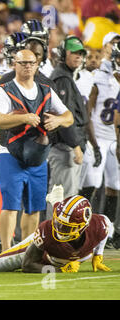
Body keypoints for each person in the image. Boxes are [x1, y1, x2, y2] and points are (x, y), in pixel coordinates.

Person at [0, 49, 74, 252]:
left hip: (37, 153)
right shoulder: (4, 90)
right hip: (9, 151)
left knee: (35, 206)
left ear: (37, 65)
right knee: (10, 204)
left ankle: (26, 250)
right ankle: (6, 250)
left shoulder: (46, 90)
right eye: (23, 62)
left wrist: (58, 120)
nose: (27, 66)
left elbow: (69, 116)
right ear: (14, 64)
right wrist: (23, 118)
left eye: (31, 62)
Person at [0, 186, 113, 273]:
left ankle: (55, 199)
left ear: (83, 226)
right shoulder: (49, 229)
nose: (60, 229)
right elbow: (27, 265)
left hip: (64, 255)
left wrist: (97, 256)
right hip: (45, 250)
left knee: (57, 206)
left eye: (67, 227)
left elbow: (104, 231)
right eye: (59, 224)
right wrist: (58, 271)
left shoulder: (100, 225)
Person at [79, 42, 120, 246]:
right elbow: (89, 110)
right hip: (100, 137)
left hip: (116, 138)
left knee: (114, 186)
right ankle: (81, 227)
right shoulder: (100, 78)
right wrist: (92, 141)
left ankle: (109, 231)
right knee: (92, 183)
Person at [48, 36, 89, 214]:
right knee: (62, 200)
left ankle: (58, 239)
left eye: (81, 54)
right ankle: (53, 240)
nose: (78, 57)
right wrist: (75, 146)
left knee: (65, 199)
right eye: (74, 53)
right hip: (65, 149)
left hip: (68, 147)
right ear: (64, 54)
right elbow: (64, 117)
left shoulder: (65, 76)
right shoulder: (62, 79)